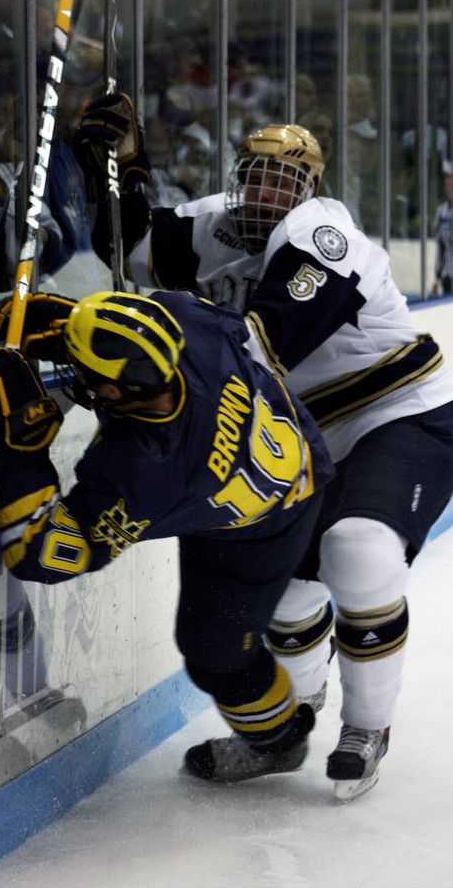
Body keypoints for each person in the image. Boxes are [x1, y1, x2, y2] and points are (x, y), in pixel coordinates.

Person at [72, 95, 453, 800]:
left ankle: (367, 726)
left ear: (312, 189)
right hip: (299, 434)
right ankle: (289, 726)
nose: (269, 192)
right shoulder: (218, 218)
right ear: (240, 175)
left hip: (394, 413)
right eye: (258, 176)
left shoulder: (322, 232)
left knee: (360, 549)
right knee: (283, 593)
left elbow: (260, 347)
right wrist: (119, 169)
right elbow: (131, 245)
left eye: (287, 180)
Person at [0, 288, 335, 784]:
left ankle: (279, 743)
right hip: (288, 439)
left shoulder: (148, 471)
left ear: (117, 393)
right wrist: (72, 324)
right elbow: (219, 327)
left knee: (216, 655)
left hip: (267, 521)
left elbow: (46, 555)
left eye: (85, 373)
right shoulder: (181, 318)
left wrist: (23, 444)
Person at [433, 159, 452, 296]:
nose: (449, 187)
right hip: (448, 276)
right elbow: (440, 246)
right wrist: (437, 276)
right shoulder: (442, 211)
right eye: (447, 184)